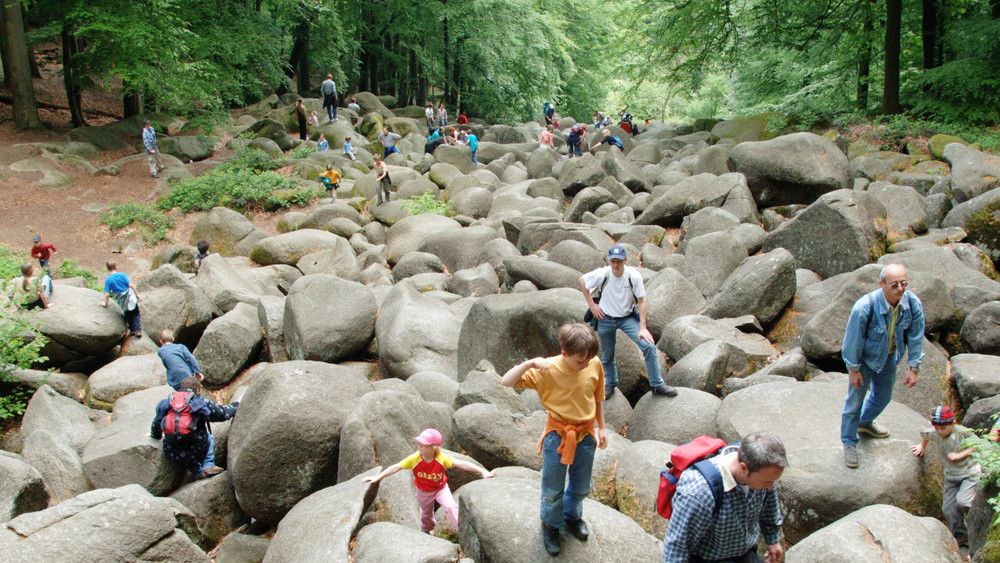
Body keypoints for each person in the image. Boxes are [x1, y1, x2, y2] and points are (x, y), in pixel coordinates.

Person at [501, 323, 608, 556]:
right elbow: (506, 381)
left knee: (581, 486)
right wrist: (530, 363)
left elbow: (597, 396)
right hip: (557, 435)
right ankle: (550, 525)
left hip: (586, 434)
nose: (585, 365)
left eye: (589, 360)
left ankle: (571, 516)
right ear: (564, 352)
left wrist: (602, 428)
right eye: (580, 361)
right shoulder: (546, 369)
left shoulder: (593, 363)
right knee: (552, 489)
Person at [841, 263, 924, 469]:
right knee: (854, 403)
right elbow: (853, 340)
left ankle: (865, 422)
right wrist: (853, 369)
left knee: (883, 397)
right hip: (864, 361)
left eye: (904, 284)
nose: (900, 289)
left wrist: (914, 368)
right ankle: (849, 441)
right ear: (882, 284)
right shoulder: (864, 308)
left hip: (889, 357)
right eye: (894, 285)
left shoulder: (912, 304)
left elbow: (915, 336)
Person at [662, 431, 788, 563]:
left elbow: (769, 506)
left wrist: (772, 540)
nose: (770, 487)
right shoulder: (699, 493)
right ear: (743, 468)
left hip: (744, 553)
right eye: (766, 482)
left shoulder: (763, 472)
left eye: (773, 481)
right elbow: (677, 547)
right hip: (707, 558)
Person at [580, 245, 676, 398]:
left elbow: (642, 301)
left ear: (625, 260)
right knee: (607, 355)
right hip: (605, 318)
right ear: (609, 261)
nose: (616, 265)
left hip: (627, 317)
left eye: (619, 261)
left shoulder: (633, 276)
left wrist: (643, 327)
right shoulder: (603, 274)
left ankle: (657, 384)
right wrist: (592, 306)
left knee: (649, 346)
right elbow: (582, 281)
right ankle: (610, 383)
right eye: (613, 262)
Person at [362, 428, 496, 534]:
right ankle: (426, 530)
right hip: (423, 491)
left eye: (424, 444)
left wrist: (483, 471)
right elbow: (396, 467)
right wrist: (377, 478)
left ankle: (461, 533)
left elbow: (461, 464)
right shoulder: (415, 458)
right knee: (426, 515)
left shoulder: (441, 458)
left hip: (441, 489)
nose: (420, 446)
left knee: (451, 506)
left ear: (434, 447)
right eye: (419, 443)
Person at [911, 405, 980, 547]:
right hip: (951, 476)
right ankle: (961, 537)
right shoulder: (935, 432)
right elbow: (925, 435)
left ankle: (978, 529)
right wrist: (922, 446)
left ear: (953, 423)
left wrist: (959, 455)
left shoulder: (963, 432)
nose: (939, 432)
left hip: (970, 473)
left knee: (964, 502)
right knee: (948, 509)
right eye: (937, 428)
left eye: (943, 428)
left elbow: (977, 445)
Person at [150, 376, 237, 480]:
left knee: (181, 441)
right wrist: (236, 405)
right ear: (197, 390)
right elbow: (223, 414)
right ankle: (208, 465)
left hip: (172, 453)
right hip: (197, 450)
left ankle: (197, 472)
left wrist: (155, 436)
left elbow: (156, 424)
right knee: (207, 437)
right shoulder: (199, 402)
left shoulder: (166, 402)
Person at [100, 261, 142, 338]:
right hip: (129, 296)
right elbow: (130, 285)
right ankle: (138, 330)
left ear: (108, 269)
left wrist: (105, 304)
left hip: (121, 299)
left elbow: (107, 294)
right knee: (135, 313)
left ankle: (132, 330)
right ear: (116, 267)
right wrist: (137, 294)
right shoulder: (122, 275)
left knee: (127, 314)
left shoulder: (108, 280)